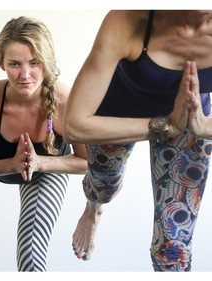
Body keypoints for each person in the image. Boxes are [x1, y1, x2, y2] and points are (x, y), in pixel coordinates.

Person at [62, 10, 212, 271]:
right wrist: (165, 127)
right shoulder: (128, 20)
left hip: (192, 119)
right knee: (103, 186)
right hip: (117, 112)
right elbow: (74, 125)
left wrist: (203, 126)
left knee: (173, 252)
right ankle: (94, 207)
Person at [0, 16, 88, 272]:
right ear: (1, 63)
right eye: (14, 64)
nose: (25, 75)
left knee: (31, 255)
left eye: (34, 63)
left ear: (46, 62)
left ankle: (95, 213)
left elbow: (88, 163)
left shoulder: (66, 103)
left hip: (47, 169)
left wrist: (40, 162)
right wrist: (11, 165)